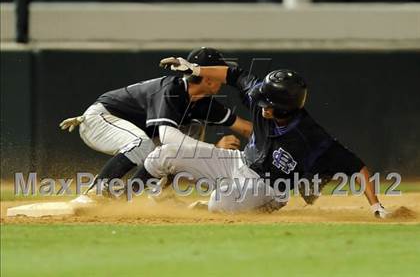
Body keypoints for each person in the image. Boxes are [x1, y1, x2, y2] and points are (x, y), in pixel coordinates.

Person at [144, 56, 389, 218]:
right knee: (160, 157)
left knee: (220, 205)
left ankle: (225, 200)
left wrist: (376, 206)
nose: (260, 107)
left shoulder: (311, 136)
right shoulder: (260, 96)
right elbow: (234, 74)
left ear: (285, 108)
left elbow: (357, 167)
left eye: (267, 104)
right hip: (239, 162)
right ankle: (171, 201)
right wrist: (195, 69)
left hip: (267, 187)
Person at [59, 48, 252, 196]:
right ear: (208, 79)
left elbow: (244, 128)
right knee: (148, 144)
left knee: (188, 136)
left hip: (129, 130)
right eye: (218, 72)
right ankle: (97, 192)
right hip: (100, 120)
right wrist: (215, 149)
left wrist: (276, 141)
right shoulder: (171, 90)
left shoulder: (204, 103)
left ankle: (155, 195)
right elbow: (169, 138)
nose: (222, 77)